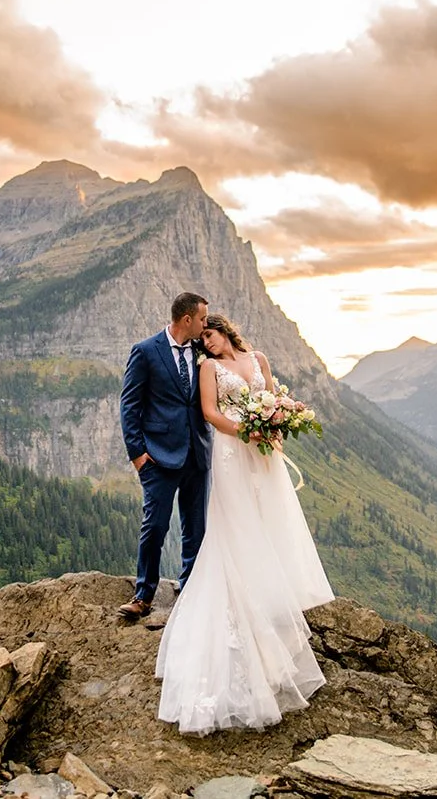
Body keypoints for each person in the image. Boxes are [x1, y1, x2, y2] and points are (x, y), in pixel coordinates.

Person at [154, 312, 333, 734]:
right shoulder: (208, 369)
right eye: (203, 341)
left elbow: (272, 401)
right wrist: (246, 432)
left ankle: (272, 597)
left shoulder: (259, 359)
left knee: (269, 520)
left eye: (211, 336)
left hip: (263, 453)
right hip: (232, 452)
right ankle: (241, 605)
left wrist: (276, 426)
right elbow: (211, 414)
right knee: (235, 526)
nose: (208, 344)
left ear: (225, 330)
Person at [117, 292, 212, 620]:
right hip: (158, 457)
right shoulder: (145, 351)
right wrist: (138, 455)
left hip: (197, 455)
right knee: (155, 527)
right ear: (187, 319)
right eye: (202, 319)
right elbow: (129, 404)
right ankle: (143, 596)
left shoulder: (202, 351)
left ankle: (190, 593)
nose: (205, 325)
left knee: (195, 529)